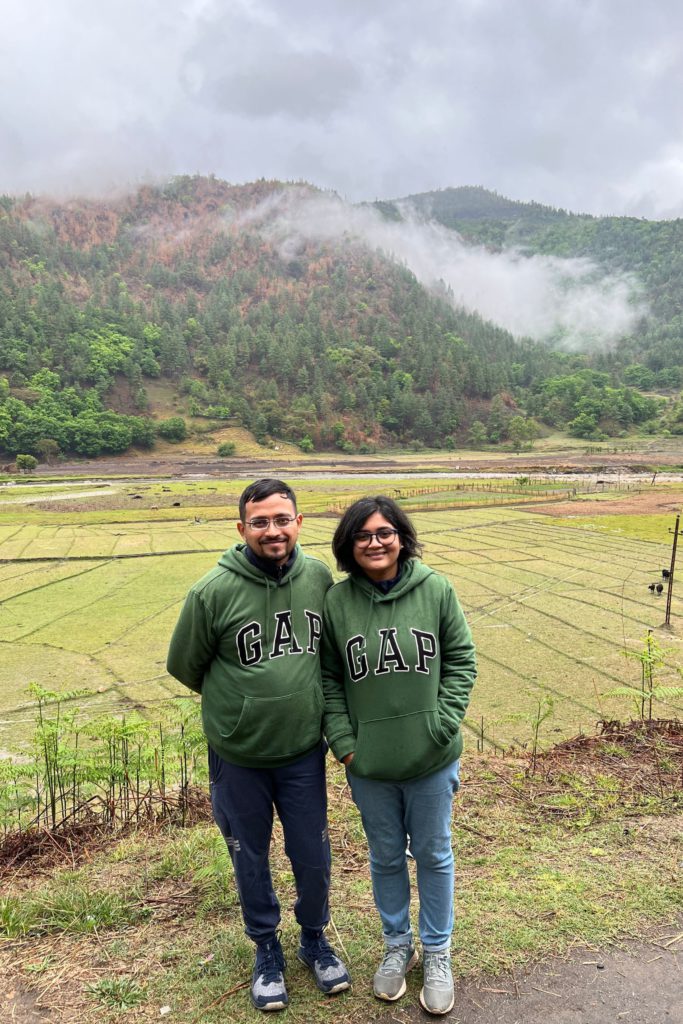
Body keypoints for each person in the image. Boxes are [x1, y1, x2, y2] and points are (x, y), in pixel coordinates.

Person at [167, 478, 350, 1012]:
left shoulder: (318, 577)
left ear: (298, 522)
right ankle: (266, 949)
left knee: (312, 852)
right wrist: (243, 703)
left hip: (301, 753)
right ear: (242, 527)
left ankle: (314, 938)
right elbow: (186, 666)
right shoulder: (212, 592)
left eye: (282, 519)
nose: (273, 530)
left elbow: (329, 652)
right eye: (261, 521)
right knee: (249, 855)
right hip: (238, 756)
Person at [321, 496, 476, 1016]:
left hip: (431, 757)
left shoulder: (434, 588)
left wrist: (444, 721)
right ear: (349, 545)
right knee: (386, 857)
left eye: (384, 531)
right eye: (363, 535)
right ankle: (396, 946)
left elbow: (460, 659)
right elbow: (328, 680)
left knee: (433, 854)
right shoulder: (336, 604)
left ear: (401, 536)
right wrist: (344, 743)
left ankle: (437, 953)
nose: (375, 542)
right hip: (369, 764)